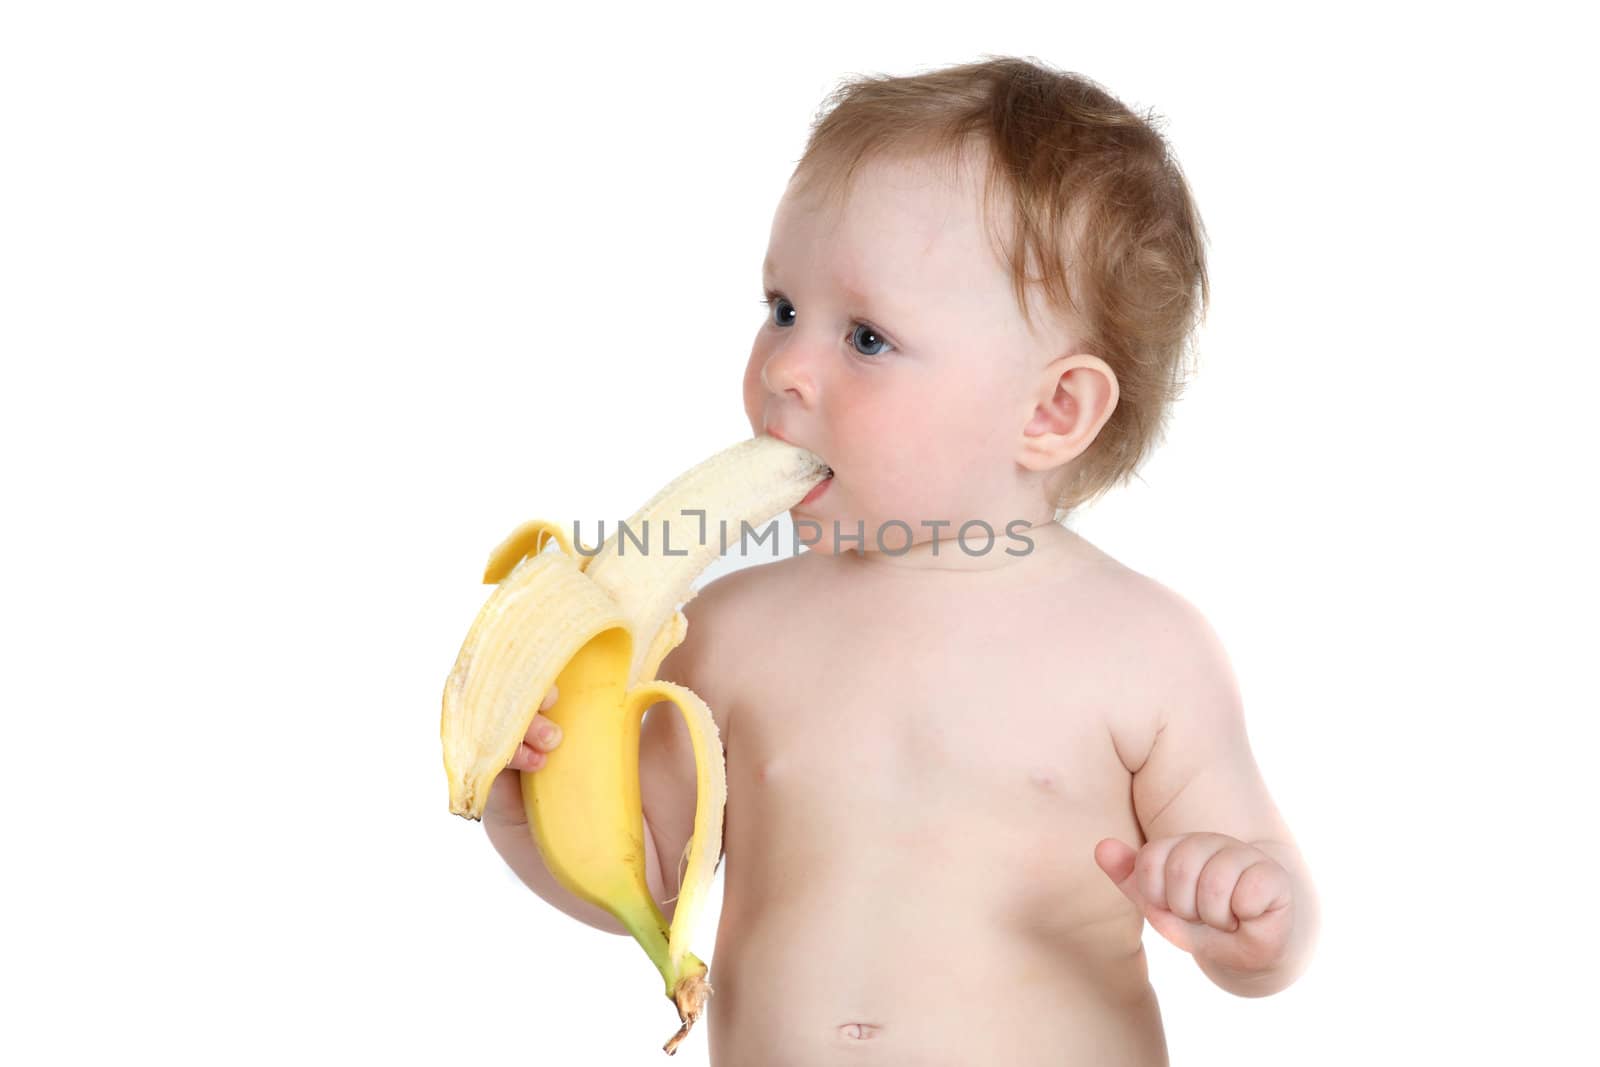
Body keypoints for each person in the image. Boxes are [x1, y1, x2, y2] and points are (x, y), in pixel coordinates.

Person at [484, 54, 1319, 1064]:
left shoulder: (1144, 647)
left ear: (1052, 410)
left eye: (866, 337)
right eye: (782, 309)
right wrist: (517, 804)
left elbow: (1264, 904)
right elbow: (639, 885)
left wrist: (1245, 909)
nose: (785, 366)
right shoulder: (723, 633)